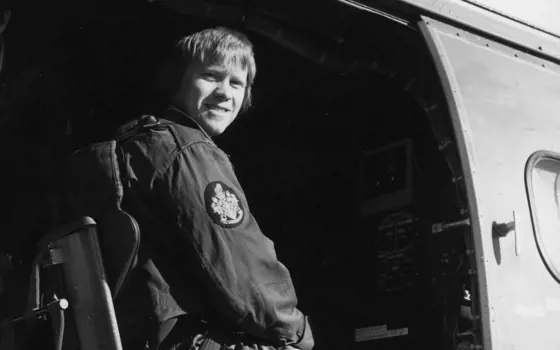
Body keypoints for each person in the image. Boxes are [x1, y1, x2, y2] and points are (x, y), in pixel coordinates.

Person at [111, 27, 314, 350]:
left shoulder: (136, 143)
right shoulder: (188, 152)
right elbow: (239, 268)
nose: (225, 93)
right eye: (210, 76)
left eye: (236, 83)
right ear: (178, 81)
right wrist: (297, 331)